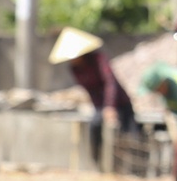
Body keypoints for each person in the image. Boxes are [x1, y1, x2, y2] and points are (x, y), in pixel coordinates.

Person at [50, 27, 139, 163]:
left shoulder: (98, 59)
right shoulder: (75, 69)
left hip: (120, 102)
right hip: (99, 104)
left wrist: (110, 106)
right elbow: (90, 90)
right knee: (95, 126)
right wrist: (100, 108)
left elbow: (110, 82)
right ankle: (97, 161)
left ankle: (134, 165)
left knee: (131, 134)